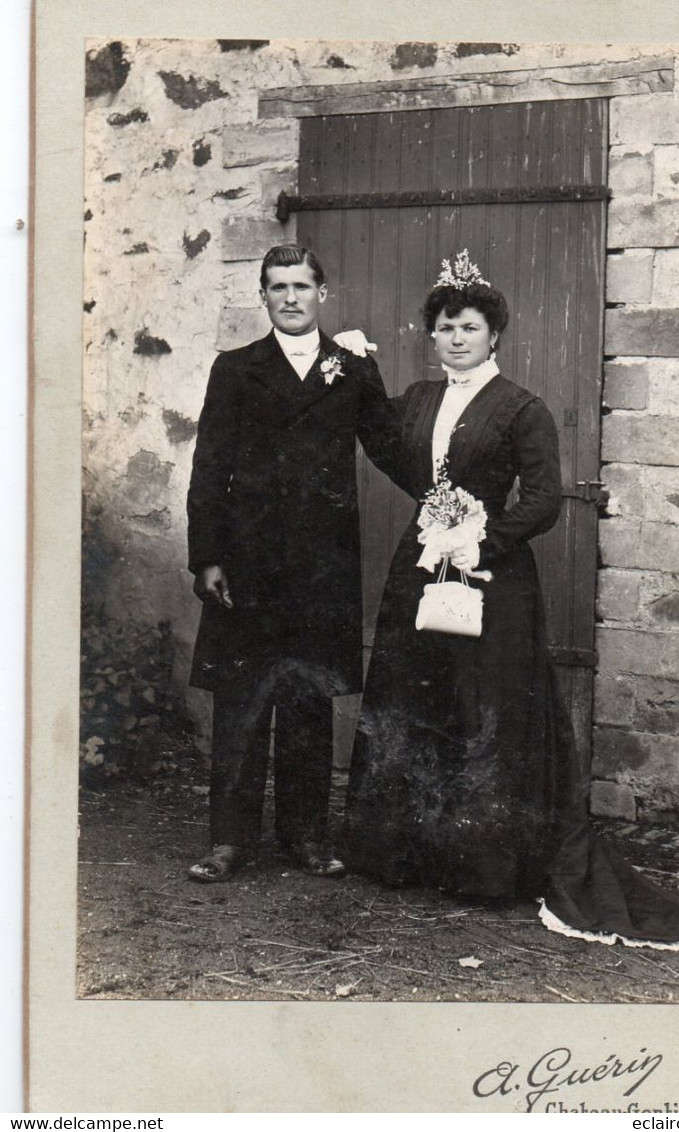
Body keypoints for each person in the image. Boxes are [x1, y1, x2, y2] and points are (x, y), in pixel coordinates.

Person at [344, 252, 679, 948]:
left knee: (484, 705)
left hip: (494, 573)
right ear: (432, 335)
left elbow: (544, 500)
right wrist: (364, 381)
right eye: (446, 327)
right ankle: (402, 855)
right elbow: (391, 452)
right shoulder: (419, 400)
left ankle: (483, 868)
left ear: (495, 336)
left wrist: (481, 538)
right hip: (422, 565)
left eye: (470, 328)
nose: (456, 338)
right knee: (413, 695)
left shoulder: (521, 407)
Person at [186, 244, 396, 883]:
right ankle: (229, 843)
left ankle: (306, 839)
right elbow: (209, 466)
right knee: (241, 705)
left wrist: (453, 485)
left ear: (322, 294)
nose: (290, 298)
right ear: (263, 296)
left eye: (301, 286)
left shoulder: (353, 368)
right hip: (248, 566)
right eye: (277, 287)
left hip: (321, 566)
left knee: (308, 701)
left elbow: (389, 445)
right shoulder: (236, 368)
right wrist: (208, 557)